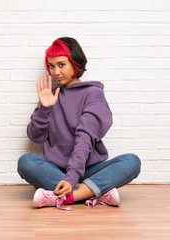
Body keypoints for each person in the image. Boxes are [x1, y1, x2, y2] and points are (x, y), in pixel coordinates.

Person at [17, 37, 141, 210]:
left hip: (89, 169)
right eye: (52, 66)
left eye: (61, 65)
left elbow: (84, 137)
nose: (55, 72)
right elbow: (36, 137)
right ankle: (94, 192)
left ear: (75, 63)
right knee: (26, 161)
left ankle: (65, 197)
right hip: (57, 171)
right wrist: (45, 109)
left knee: (131, 161)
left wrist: (72, 178)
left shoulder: (93, 93)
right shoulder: (51, 95)